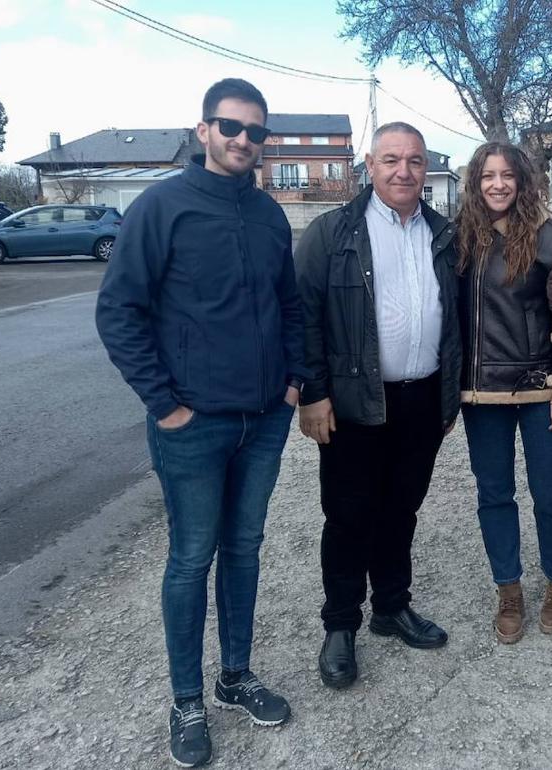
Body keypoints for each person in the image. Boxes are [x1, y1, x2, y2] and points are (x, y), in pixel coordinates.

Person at [96, 78, 306, 767]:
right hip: (192, 425)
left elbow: (290, 305)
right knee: (191, 558)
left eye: (256, 131)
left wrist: (295, 380)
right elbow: (119, 312)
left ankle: (234, 677)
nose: (244, 140)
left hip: (263, 420)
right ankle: (186, 700)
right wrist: (166, 404)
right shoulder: (163, 208)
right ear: (204, 129)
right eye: (231, 126)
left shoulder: (270, 216)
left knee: (244, 549)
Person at [296, 122, 462, 689]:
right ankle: (341, 624)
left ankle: (391, 607)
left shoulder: (443, 233)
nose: (403, 171)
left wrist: (448, 398)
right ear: (370, 164)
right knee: (348, 516)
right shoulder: (331, 232)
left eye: (415, 161)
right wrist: (313, 394)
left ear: (425, 169)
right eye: (392, 160)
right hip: (353, 404)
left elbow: (458, 318)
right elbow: (304, 319)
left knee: (401, 511)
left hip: (421, 399)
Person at [455, 143, 552, 644]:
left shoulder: (548, 234)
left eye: (507, 175)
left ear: (522, 181)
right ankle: (508, 589)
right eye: (487, 175)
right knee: (494, 495)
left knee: (551, 493)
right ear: (475, 181)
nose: (497, 184)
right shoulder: (460, 238)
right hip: (481, 395)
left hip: (539, 391)